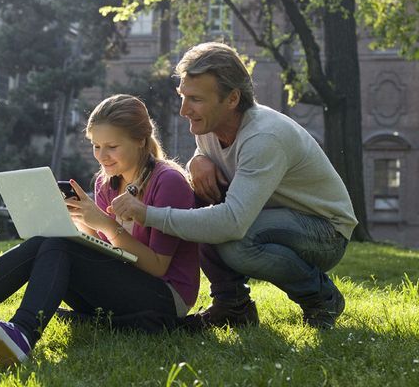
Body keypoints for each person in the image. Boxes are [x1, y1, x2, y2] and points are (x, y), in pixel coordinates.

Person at [0, 94, 199, 367]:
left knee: (59, 245)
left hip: (165, 299)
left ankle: (18, 333)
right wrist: (81, 224)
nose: (102, 156)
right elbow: (110, 256)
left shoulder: (168, 181)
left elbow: (157, 266)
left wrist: (105, 225)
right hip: (127, 289)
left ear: (141, 140)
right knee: (51, 240)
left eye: (111, 147)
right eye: (96, 147)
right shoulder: (105, 182)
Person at [111, 42, 357, 329]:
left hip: (326, 231)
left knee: (238, 245)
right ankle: (233, 306)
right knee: (196, 203)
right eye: (183, 96)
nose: (184, 110)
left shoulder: (264, 137)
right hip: (273, 217)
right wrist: (198, 161)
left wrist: (147, 213)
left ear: (232, 99)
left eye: (196, 99)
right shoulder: (211, 125)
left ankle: (322, 298)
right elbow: (215, 169)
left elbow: (232, 223)